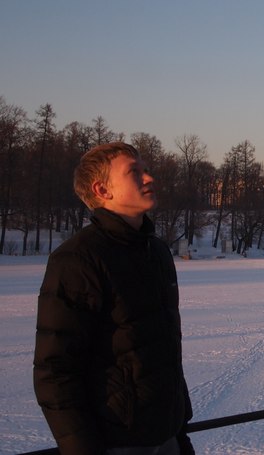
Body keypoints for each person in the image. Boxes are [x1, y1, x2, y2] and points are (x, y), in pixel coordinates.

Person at [33, 142, 194, 455]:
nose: (149, 178)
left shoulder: (158, 253)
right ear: (102, 189)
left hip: (167, 439)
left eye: (145, 169)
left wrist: (180, 432)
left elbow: (165, 353)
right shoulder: (78, 260)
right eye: (134, 172)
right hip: (118, 443)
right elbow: (55, 372)